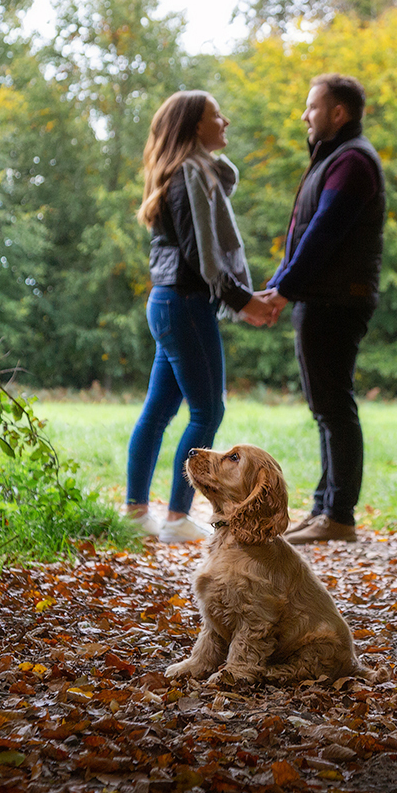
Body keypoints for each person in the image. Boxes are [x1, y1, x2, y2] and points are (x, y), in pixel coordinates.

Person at [125, 91, 275, 542]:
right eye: (216, 115)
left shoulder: (190, 174)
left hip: (170, 302)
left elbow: (198, 253)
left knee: (159, 410)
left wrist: (241, 296)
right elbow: (201, 255)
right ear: (194, 126)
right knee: (208, 410)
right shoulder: (191, 174)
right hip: (185, 303)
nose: (225, 120)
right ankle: (175, 518)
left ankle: (136, 516)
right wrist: (242, 299)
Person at [257, 74, 385, 544]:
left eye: (312, 107)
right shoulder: (334, 159)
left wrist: (283, 290)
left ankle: (339, 516)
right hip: (323, 295)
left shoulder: (352, 162)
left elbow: (324, 234)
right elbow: (303, 239)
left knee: (334, 406)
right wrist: (274, 288)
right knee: (326, 406)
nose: (305, 116)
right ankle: (324, 509)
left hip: (338, 298)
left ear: (339, 113)